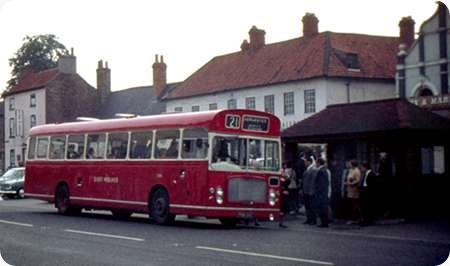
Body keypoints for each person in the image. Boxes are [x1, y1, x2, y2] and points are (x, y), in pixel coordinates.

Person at [302, 156, 318, 225]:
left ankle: (313, 220)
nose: (304, 163)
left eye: (305, 162)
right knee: (307, 206)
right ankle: (308, 219)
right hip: (305, 190)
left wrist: (312, 190)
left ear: (309, 162)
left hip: (310, 191)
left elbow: (313, 181)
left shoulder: (313, 169)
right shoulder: (307, 169)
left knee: (311, 206)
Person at [314, 158, 330, 227]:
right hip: (323, 192)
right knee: (322, 208)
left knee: (322, 208)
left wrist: (318, 191)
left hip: (321, 193)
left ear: (318, 163)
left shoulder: (321, 171)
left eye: (316, 162)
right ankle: (324, 222)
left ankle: (324, 223)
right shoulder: (323, 170)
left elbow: (321, 183)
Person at [344, 159, 361, 225]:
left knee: (354, 204)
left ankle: (355, 218)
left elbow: (357, 180)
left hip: (354, 189)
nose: (349, 164)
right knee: (350, 204)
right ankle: (352, 218)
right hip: (349, 190)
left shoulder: (357, 171)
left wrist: (350, 183)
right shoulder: (351, 170)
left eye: (350, 163)